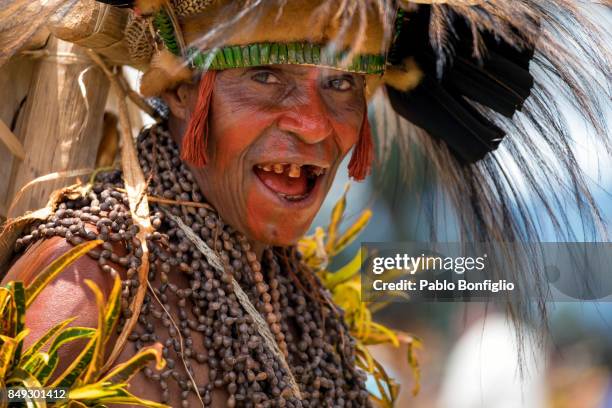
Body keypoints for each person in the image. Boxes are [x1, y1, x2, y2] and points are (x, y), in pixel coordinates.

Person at [0, 1, 609, 407]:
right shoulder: (82, 292)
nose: (315, 125)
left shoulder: (300, 296)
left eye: (342, 84)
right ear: (186, 92)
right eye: (266, 75)